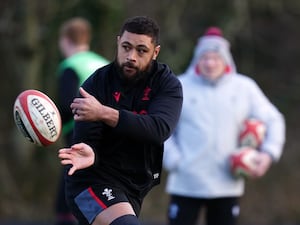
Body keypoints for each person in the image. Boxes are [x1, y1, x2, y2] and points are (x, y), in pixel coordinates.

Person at [57, 16, 183, 225]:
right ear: (118, 43)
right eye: (126, 47)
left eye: (141, 50)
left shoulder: (167, 84)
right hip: (90, 181)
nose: (131, 56)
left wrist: (104, 113)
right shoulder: (96, 84)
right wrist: (90, 153)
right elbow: (87, 142)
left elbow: (159, 129)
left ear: (155, 52)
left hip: (133, 186)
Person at [163, 27, 285, 225]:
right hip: (185, 184)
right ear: (197, 60)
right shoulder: (179, 86)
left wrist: (268, 154)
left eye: (216, 58)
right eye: (205, 58)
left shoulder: (245, 88)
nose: (210, 63)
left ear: (226, 60)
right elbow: (162, 127)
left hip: (227, 185)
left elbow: (274, 120)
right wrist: (173, 159)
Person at [56, 17, 109, 225]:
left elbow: (68, 105)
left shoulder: (70, 65)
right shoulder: (103, 63)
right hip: (110, 133)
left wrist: (47, 124)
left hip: (82, 135)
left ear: (65, 40)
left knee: (68, 196)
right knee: (100, 190)